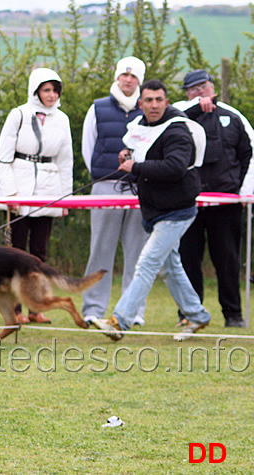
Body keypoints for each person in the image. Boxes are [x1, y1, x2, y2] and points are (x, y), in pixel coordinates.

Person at [92, 79, 211, 341]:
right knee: (170, 268)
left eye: (159, 100)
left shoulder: (177, 131)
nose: (154, 105)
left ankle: (119, 321)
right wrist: (128, 156)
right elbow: (142, 153)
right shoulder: (141, 126)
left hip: (178, 211)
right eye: (149, 100)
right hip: (154, 210)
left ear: (166, 102)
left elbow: (174, 168)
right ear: (140, 104)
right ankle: (198, 315)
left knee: (146, 264)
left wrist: (134, 167)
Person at [173, 69, 254, 328]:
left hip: (226, 203)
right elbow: (160, 138)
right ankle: (189, 315)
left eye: (203, 87)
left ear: (213, 88)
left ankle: (233, 315)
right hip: (188, 203)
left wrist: (245, 192)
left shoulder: (233, 116)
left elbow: (249, 155)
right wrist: (195, 110)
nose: (199, 92)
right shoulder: (177, 117)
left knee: (227, 260)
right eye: (193, 89)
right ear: (186, 93)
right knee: (187, 261)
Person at [0, 67, 73, 324]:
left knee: (40, 253)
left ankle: (37, 307)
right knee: (16, 252)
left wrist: (65, 198)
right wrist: (9, 192)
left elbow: (66, 160)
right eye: (46, 89)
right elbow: (3, 156)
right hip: (20, 182)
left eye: (55, 90)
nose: (51, 95)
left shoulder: (62, 119)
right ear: (36, 90)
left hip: (49, 187)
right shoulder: (18, 114)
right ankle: (15, 310)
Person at [81, 56, 149, 327]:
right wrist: (103, 176)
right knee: (100, 249)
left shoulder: (149, 109)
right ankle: (93, 309)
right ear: (117, 77)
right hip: (106, 187)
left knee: (138, 252)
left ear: (140, 81)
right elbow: (89, 148)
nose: (128, 80)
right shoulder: (97, 108)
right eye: (124, 75)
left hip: (140, 189)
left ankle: (133, 310)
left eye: (133, 77)